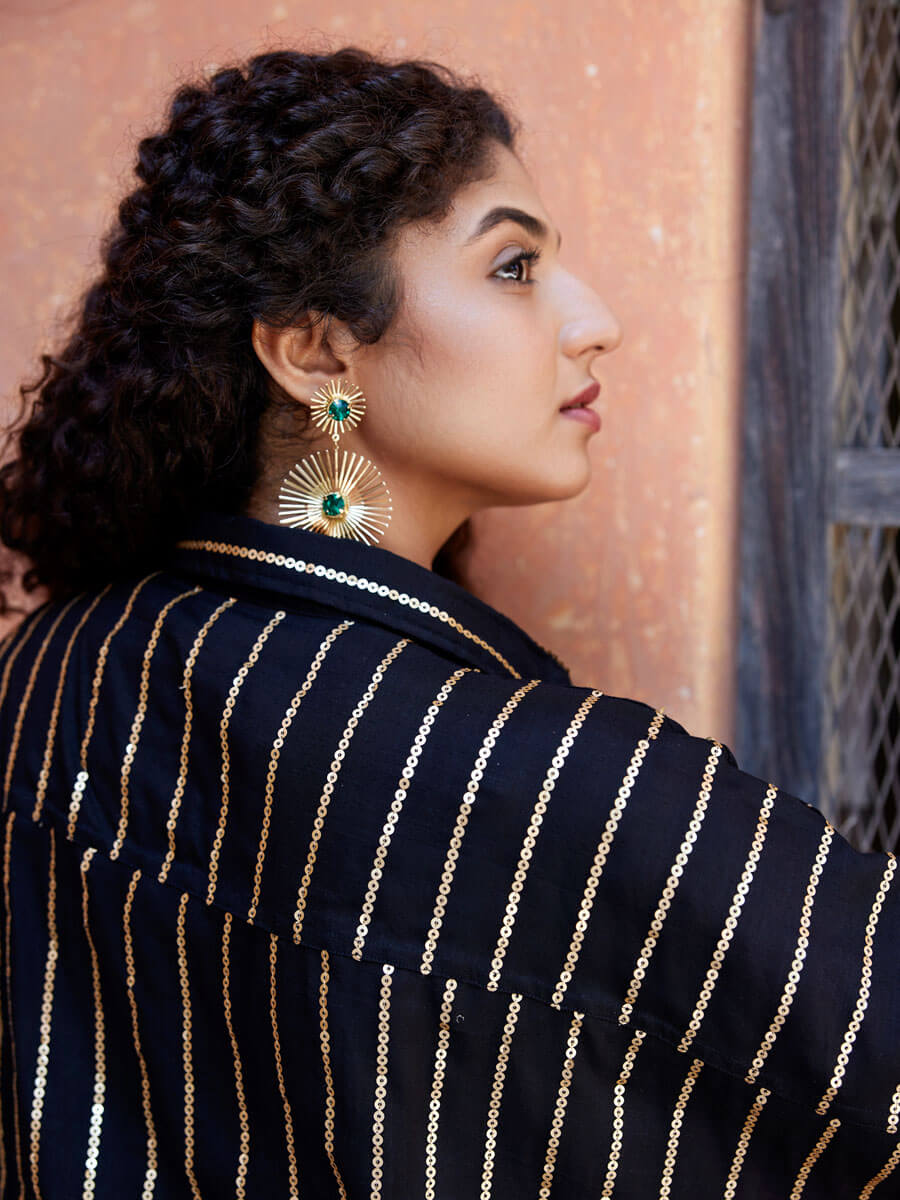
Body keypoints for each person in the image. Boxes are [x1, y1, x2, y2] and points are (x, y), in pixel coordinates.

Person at [0, 45, 896, 1200]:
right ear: (317, 349)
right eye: (514, 267)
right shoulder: (565, 786)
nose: (597, 321)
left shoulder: (58, 666)